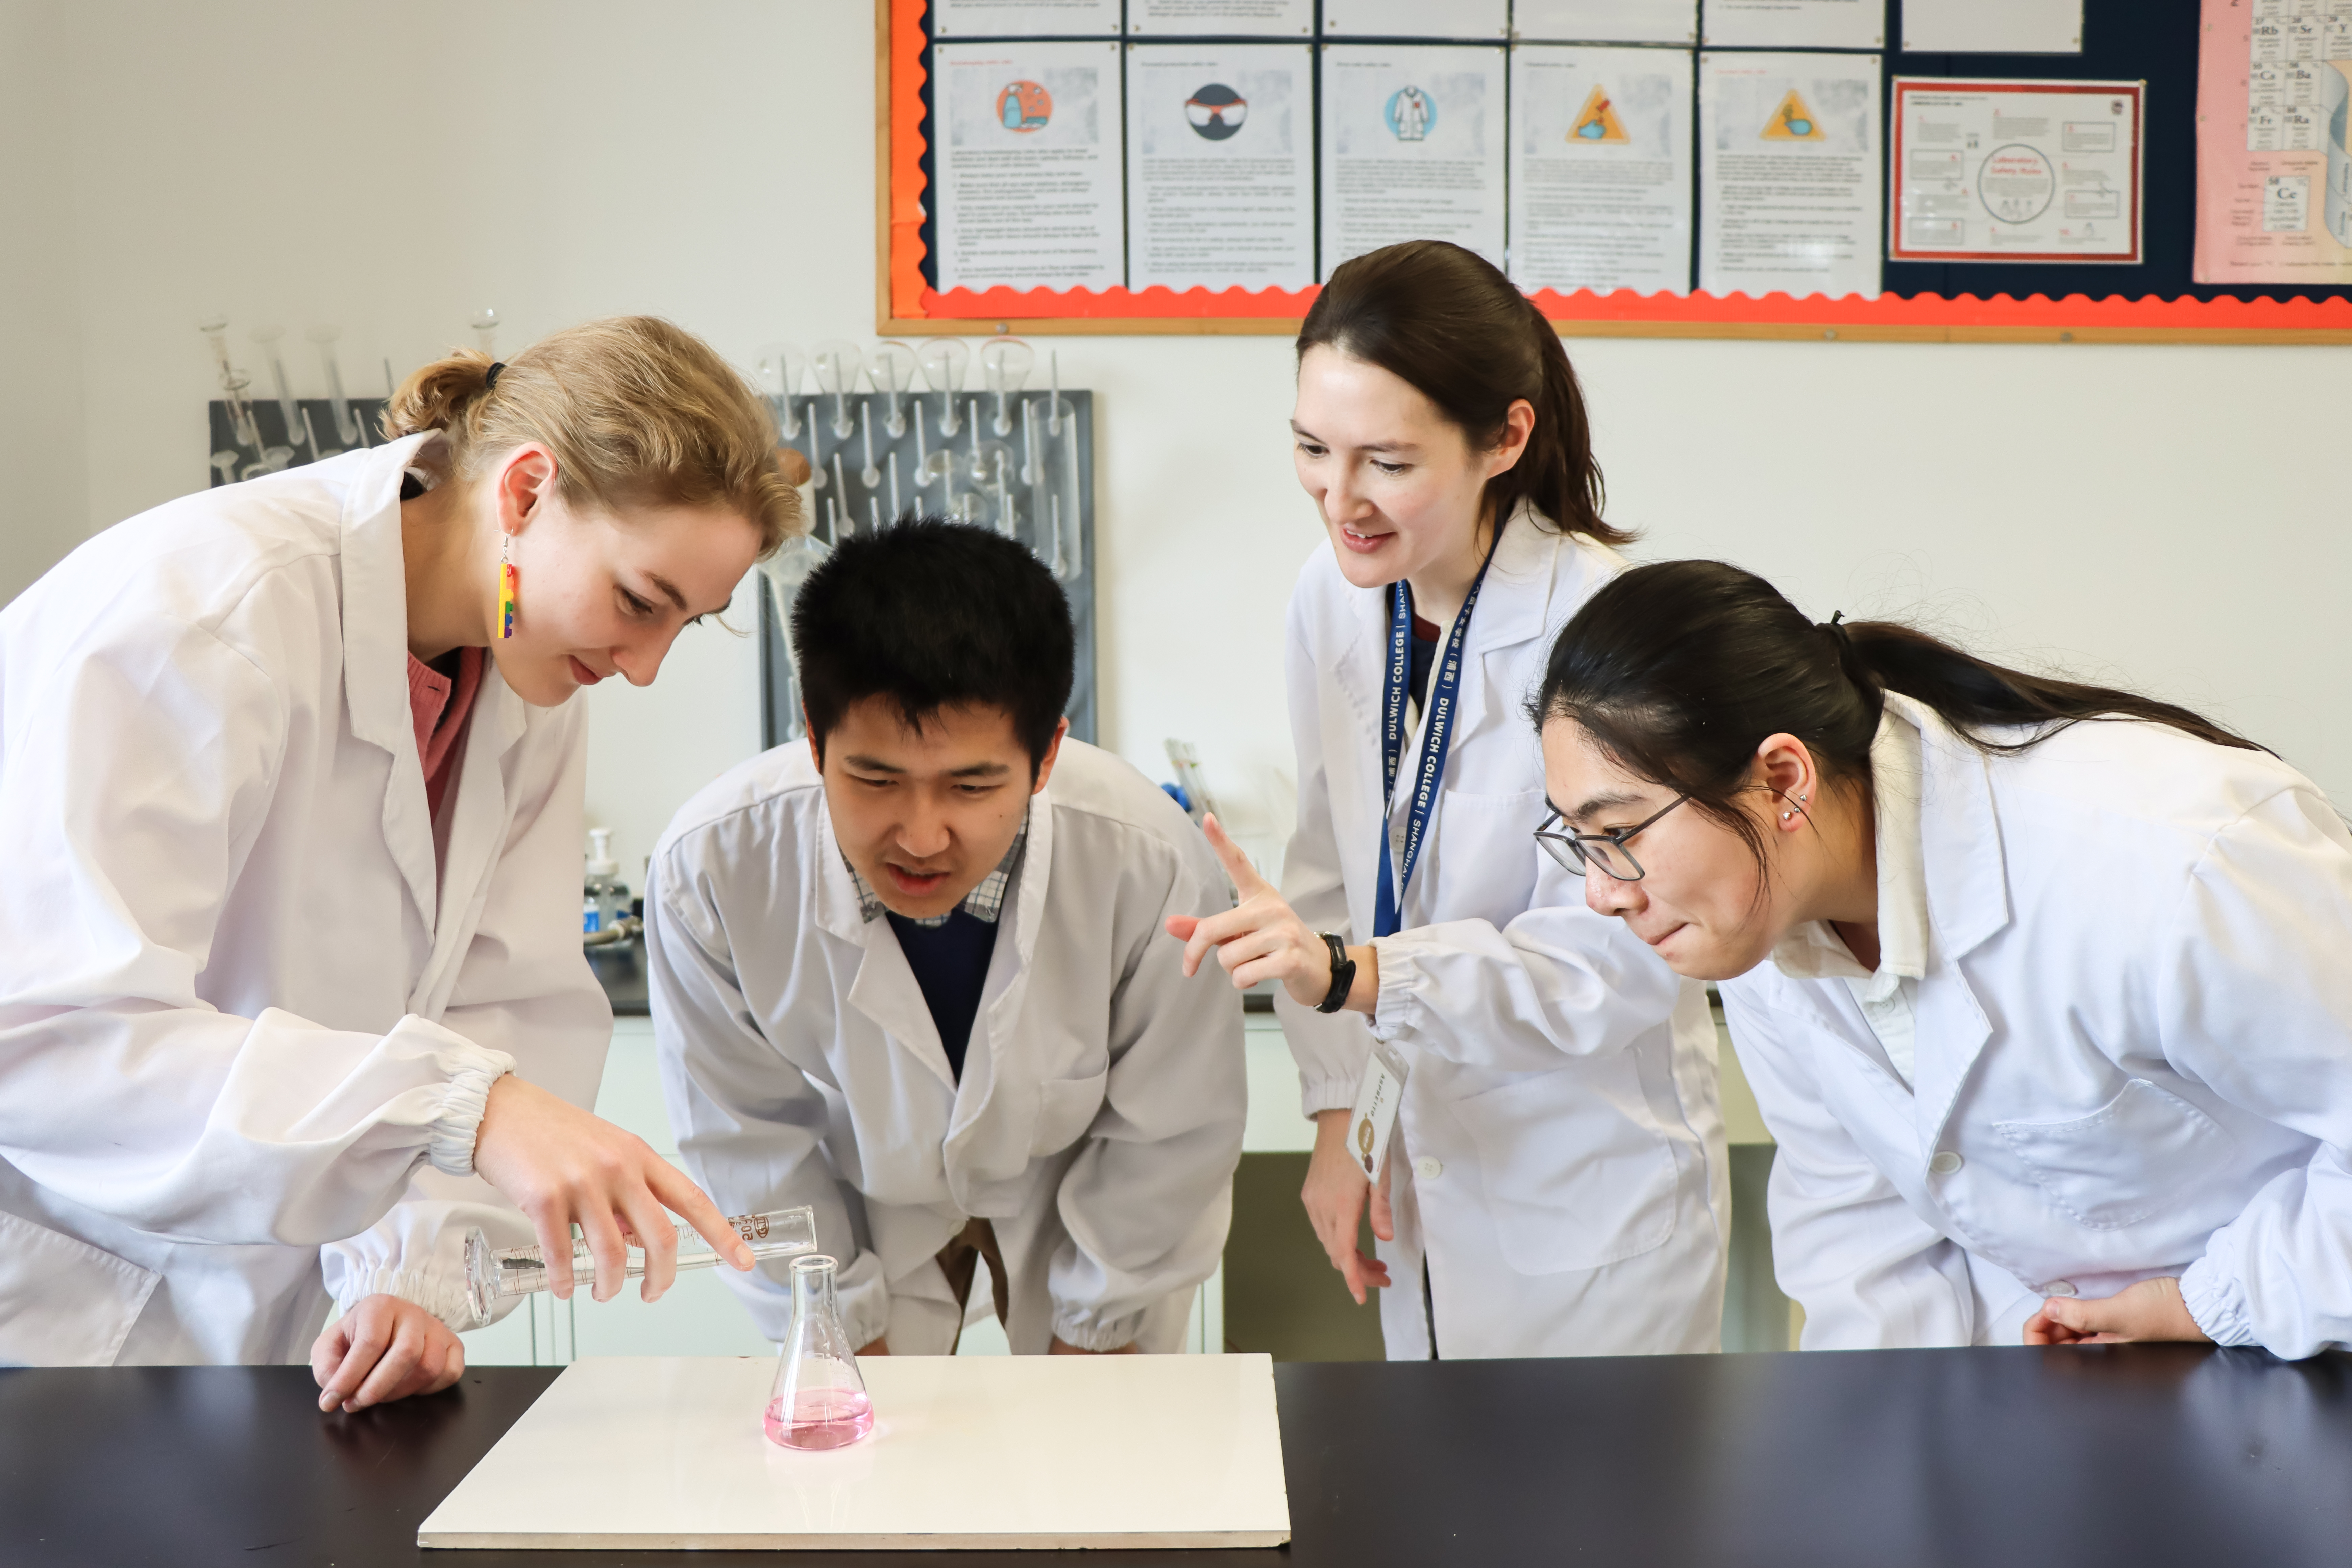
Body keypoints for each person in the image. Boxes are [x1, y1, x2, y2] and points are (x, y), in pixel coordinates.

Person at [0, 317, 797, 1406]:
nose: (644, 666)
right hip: (49, 1311)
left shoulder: (528, 674)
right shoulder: (205, 612)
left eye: (686, 626)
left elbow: (499, 999)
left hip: (260, 1340)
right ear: (524, 493)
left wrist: (407, 1275)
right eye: (640, 603)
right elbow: (47, 1045)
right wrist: (461, 1107)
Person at [1533, 558, 2352, 1357]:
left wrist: (2214, 1302)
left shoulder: (2169, 860)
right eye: (1581, 840)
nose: (1602, 894)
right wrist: (1881, 1456)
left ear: (1783, 779)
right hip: (2054, 1389)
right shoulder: (1760, 916)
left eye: (1622, 832)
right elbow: (1855, 1227)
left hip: (2302, 1343)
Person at [1173, 240, 1728, 1358]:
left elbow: (1609, 962)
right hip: (1416, 1162)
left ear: (1505, 439)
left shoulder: (1602, 626)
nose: (1342, 501)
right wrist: (1338, 1118)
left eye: (1386, 460)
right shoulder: (1333, 595)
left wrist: (1361, 975)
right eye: (1311, 449)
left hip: (1586, 1192)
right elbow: (1331, 855)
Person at [646, 517, 1243, 1356]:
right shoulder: (711, 868)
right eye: (875, 778)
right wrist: (840, 1339)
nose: (922, 836)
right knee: (857, 1468)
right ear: (815, 743)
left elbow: (1170, 1129)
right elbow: (749, 1140)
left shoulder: (1148, 856)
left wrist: (1097, 1339)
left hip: (1076, 1186)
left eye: (972, 785)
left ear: (1045, 758)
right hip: (855, 1197)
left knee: (1103, 1457)